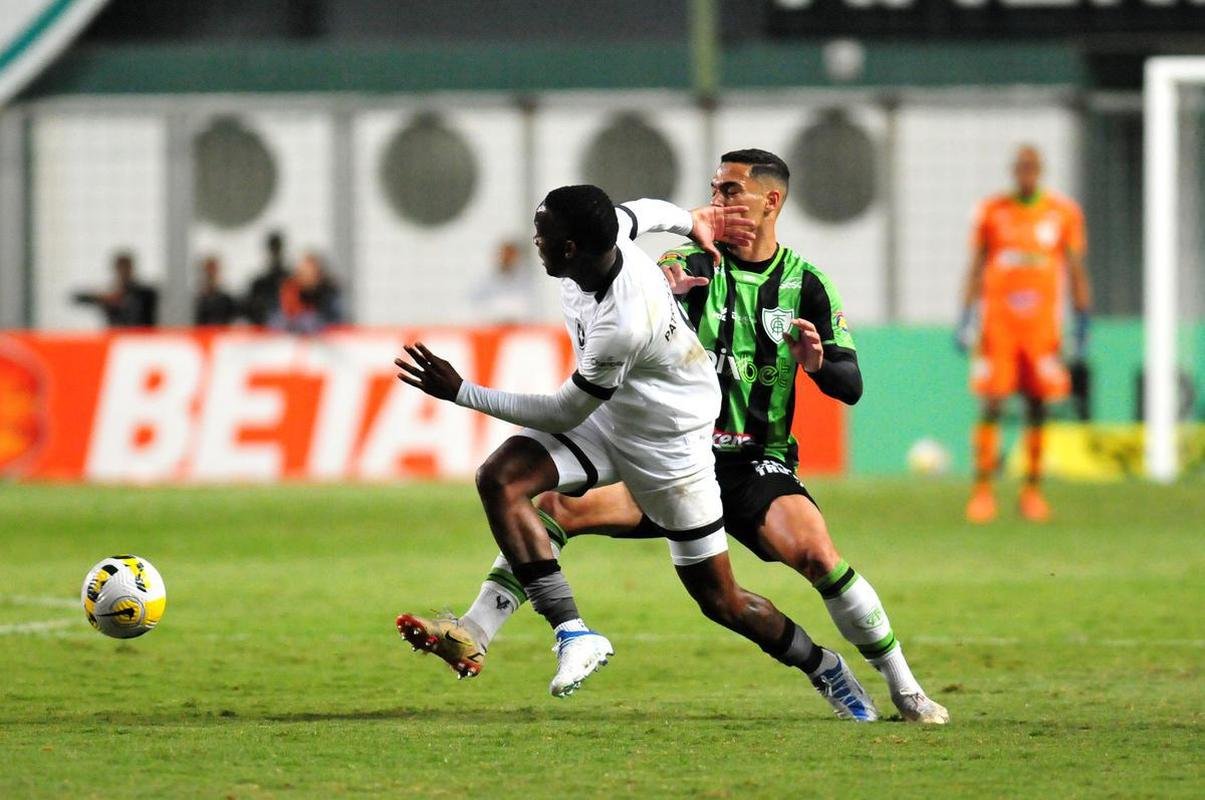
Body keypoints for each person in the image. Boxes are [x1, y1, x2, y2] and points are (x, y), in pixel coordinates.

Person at [400, 151, 949, 724]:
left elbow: (850, 385)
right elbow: (637, 233)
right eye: (714, 189)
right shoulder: (680, 266)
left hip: (746, 462)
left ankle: (903, 688)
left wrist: (815, 365)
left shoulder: (805, 285)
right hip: (651, 445)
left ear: (772, 202)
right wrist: (687, 231)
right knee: (546, 502)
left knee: (802, 561)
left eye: (731, 190)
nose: (718, 200)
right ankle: (483, 630)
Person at [957, 145, 1092, 523]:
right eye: (1021, 167)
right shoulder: (993, 212)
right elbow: (977, 265)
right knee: (993, 402)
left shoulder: (1063, 214)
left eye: (1032, 167)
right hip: (999, 326)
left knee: (1038, 404)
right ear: (1014, 171)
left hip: (1041, 329)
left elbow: (1076, 268)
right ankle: (982, 490)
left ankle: (1032, 491)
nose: (1026, 173)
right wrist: (966, 314)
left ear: (1041, 171)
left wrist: (1083, 317)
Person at [72, 251, 158, 327]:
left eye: (126, 268)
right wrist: (103, 298)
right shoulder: (110, 295)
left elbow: (148, 297)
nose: (123, 272)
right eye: (121, 268)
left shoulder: (145, 293)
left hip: (139, 337)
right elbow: (78, 298)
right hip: (116, 336)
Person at [270, 251, 343, 334]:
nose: (307, 276)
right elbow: (277, 320)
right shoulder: (290, 289)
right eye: (303, 272)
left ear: (318, 273)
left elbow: (335, 321)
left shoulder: (328, 292)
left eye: (311, 272)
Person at [471, 239, 532, 324]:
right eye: (505, 255)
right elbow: (476, 303)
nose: (507, 258)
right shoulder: (486, 279)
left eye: (511, 255)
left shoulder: (527, 279)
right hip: (492, 326)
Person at [244, 230, 289, 326]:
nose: (275, 254)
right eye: (273, 249)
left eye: (277, 249)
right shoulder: (259, 284)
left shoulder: (290, 281)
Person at [193, 256, 239, 326]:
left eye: (213, 270)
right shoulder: (196, 299)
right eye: (208, 271)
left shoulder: (226, 299)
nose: (210, 274)